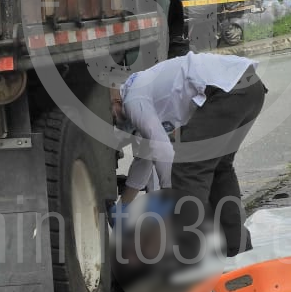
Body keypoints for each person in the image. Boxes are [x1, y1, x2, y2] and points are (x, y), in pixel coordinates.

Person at [112, 52, 266, 261]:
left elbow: (163, 151)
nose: (115, 125)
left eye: (112, 117)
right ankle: (235, 246)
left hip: (229, 91)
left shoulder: (133, 99)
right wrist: (123, 206)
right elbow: (146, 157)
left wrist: (171, 197)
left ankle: (191, 259)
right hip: (250, 89)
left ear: (116, 99)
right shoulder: (140, 92)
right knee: (220, 169)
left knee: (188, 168)